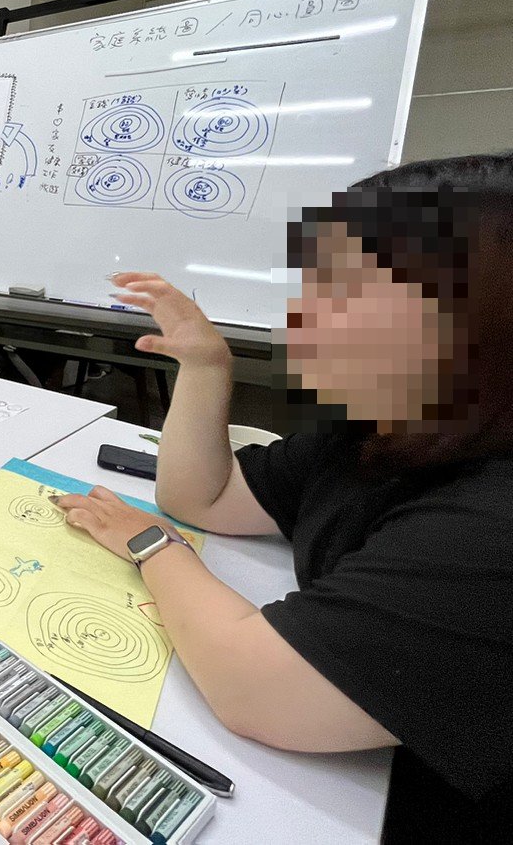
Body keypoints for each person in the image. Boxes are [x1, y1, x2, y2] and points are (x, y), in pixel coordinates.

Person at [51, 153, 513, 840]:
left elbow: (254, 690)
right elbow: (204, 498)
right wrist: (205, 366)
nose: (302, 320)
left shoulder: (489, 524)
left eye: (349, 297)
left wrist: (153, 546)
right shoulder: (380, 426)